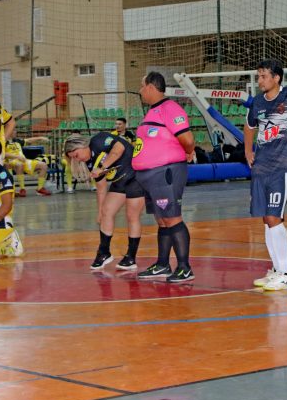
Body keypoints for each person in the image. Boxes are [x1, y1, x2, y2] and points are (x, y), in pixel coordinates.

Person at [132, 72, 196, 283]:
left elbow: (187, 138)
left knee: (172, 217)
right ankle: (162, 264)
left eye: (142, 87)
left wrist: (188, 152)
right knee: (162, 221)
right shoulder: (153, 111)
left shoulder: (170, 109)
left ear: (150, 86)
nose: (140, 91)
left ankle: (184, 267)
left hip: (166, 173)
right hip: (151, 176)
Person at [244, 59, 287, 291]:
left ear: (276, 78)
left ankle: (285, 274)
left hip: (282, 165)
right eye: (258, 76)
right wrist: (248, 150)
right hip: (262, 165)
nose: (260, 81)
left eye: (264, 76)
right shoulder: (257, 102)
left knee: (275, 217)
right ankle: (276, 269)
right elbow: (249, 126)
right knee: (266, 218)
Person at [64, 132, 145, 271]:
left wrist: (101, 167)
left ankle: (131, 257)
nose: (78, 160)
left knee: (132, 216)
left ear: (82, 146)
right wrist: (99, 212)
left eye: (76, 155)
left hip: (135, 177)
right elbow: (101, 188)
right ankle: (104, 252)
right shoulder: (89, 162)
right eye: (74, 159)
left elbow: (119, 148)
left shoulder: (99, 140)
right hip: (119, 182)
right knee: (107, 212)